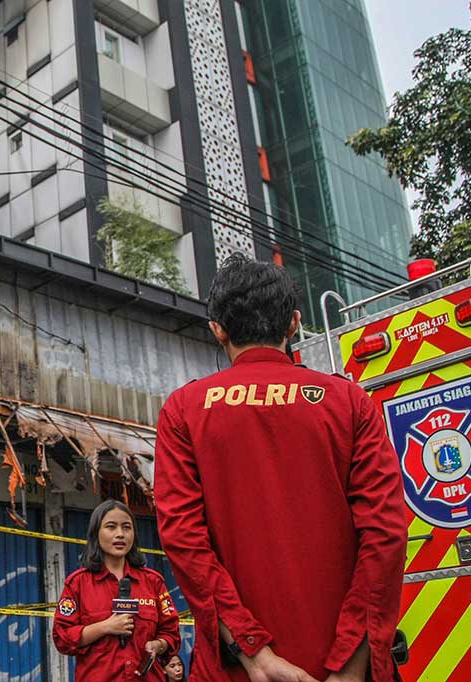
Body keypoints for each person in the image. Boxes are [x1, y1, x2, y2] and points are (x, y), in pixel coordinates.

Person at [153, 254, 407, 682]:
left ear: (218, 330)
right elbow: (385, 533)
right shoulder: (349, 403)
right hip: (345, 664)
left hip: (238, 670)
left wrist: (256, 655)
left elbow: (183, 539)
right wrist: (350, 666)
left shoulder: (184, 411)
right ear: (293, 323)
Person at [53, 499, 181, 680]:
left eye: (127, 527)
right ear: (96, 533)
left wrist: (158, 645)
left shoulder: (153, 582)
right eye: (111, 527)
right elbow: (62, 638)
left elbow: (172, 633)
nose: (120, 534)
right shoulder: (78, 583)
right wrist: (105, 627)